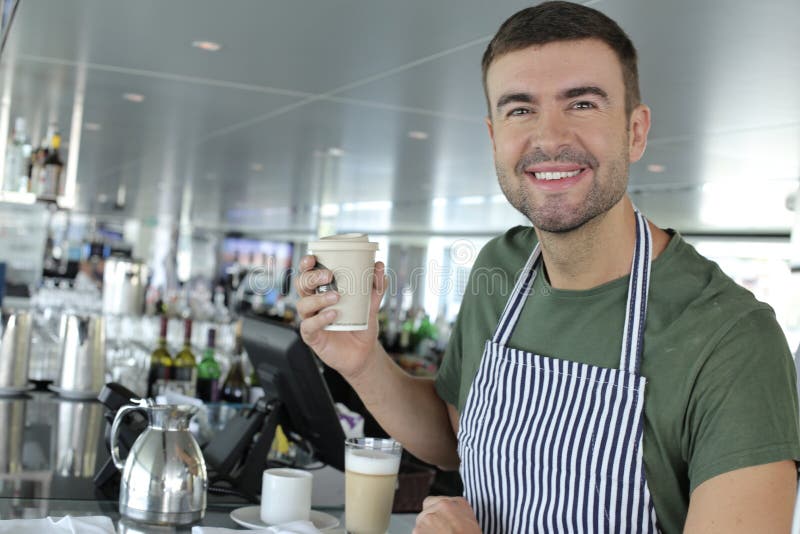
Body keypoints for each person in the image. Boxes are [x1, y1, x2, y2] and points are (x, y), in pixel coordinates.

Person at [295, 2, 800, 532]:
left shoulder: (733, 340)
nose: (549, 137)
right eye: (520, 109)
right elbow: (452, 441)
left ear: (635, 131)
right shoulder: (502, 269)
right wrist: (361, 361)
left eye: (582, 103)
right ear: (494, 139)